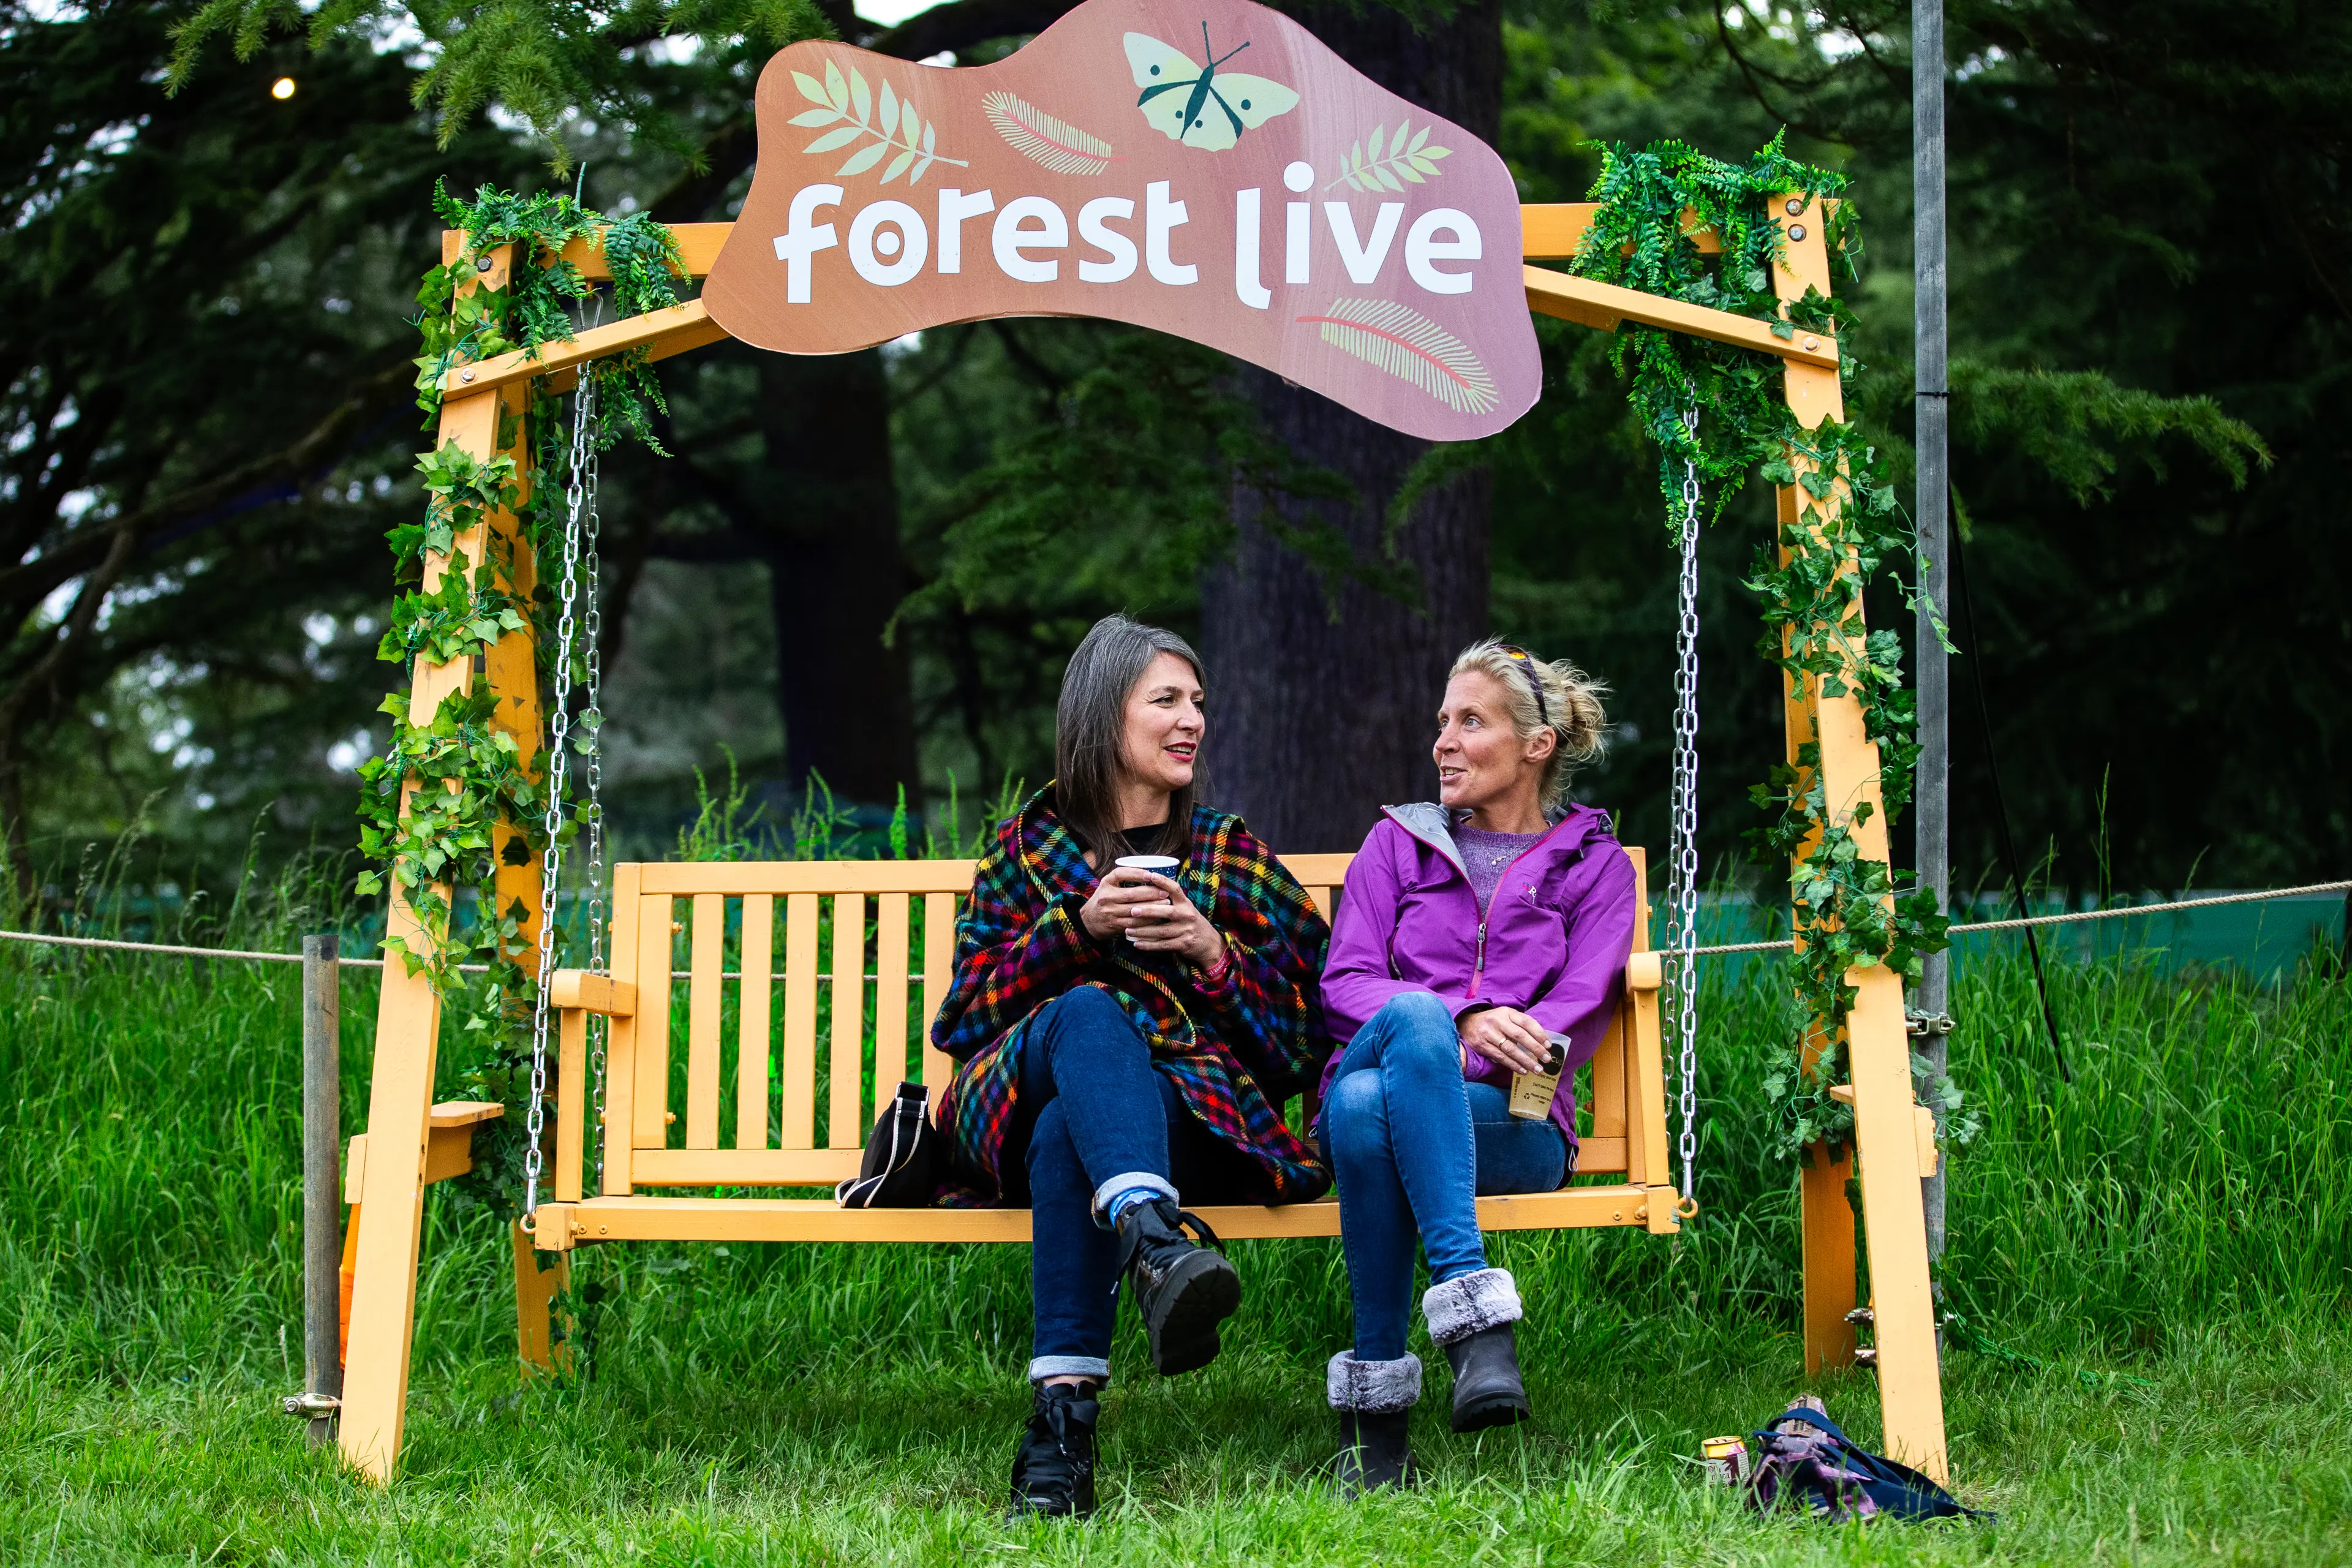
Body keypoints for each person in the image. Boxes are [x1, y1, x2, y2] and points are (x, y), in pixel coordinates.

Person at [932, 614, 1333, 1520]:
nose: (1192, 719)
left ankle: (1063, 1427)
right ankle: (1157, 1246)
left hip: (1196, 1122)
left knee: (1072, 1134)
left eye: (1199, 702)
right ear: (1103, 715)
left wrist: (1212, 954)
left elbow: (1309, 1041)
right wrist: (1077, 931)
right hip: (1019, 1086)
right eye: (1167, 700)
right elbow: (965, 1023)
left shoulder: (1229, 852)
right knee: (1087, 1009)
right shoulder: (1027, 851)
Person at [1316, 640, 1635, 1492]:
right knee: (1412, 1017)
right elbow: (1344, 983)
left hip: (1519, 1118)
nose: (1443, 744)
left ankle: (1374, 1428)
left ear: (1535, 746)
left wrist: (1471, 1054)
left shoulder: (1596, 867)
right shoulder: (1396, 846)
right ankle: (1474, 1323)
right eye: (1441, 724)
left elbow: (1573, 1011)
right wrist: (1460, 1021)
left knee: (1360, 1113)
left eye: (1470, 722)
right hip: (1403, 1067)